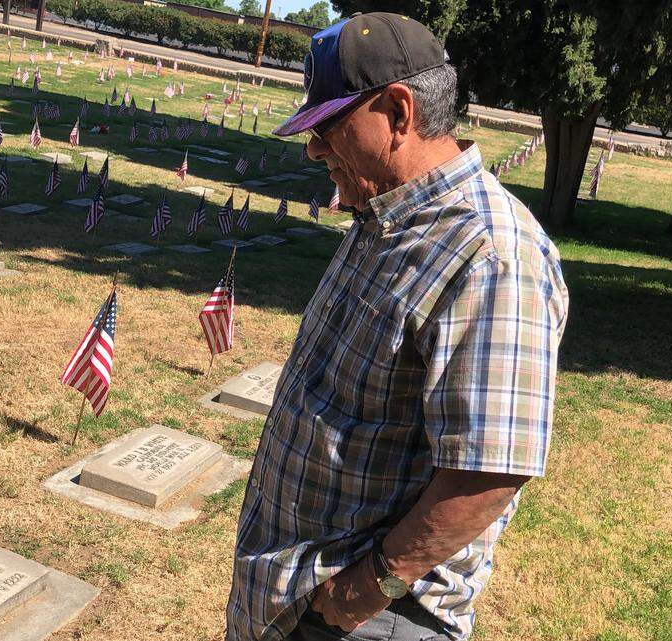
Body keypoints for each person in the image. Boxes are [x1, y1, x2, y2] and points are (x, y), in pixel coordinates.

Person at [226, 12, 570, 641]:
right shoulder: (383, 216)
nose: (314, 148)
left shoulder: (492, 255)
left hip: (365, 615)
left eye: (328, 126)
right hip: (297, 594)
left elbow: (488, 471)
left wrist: (364, 591)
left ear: (398, 111)